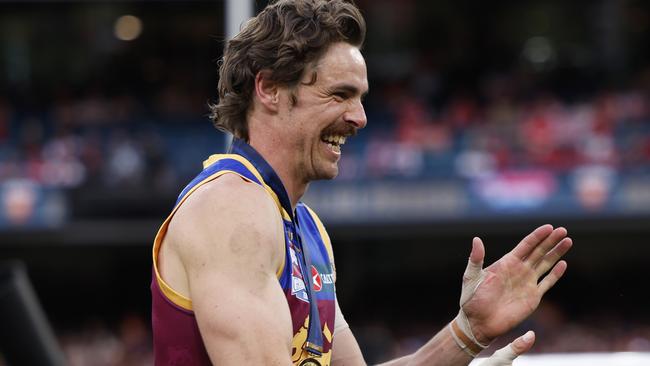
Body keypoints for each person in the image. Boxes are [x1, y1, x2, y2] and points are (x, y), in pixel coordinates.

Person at [150, 0, 573, 365]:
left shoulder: (306, 228)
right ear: (270, 89)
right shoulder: (230, 207)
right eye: (339, 95)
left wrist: (467, 333)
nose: (360, 118)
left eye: (361, 98)